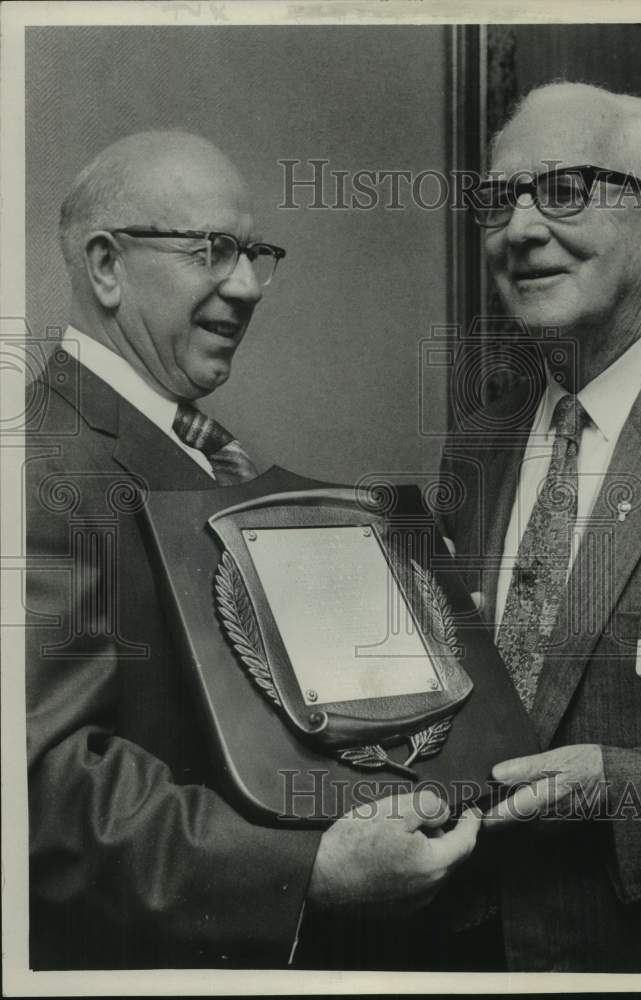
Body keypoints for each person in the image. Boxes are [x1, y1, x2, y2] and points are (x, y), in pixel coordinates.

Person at [25, 130, 480, 970]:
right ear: (106, 266)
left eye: (254, 254)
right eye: (210, 251)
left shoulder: (201, 453)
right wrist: (305, 872)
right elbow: (38, 789)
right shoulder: (39, 467)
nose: (244, 286)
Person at [440, 82, 641, 972]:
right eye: (499, 199)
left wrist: (624, 785)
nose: (520, 229)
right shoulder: (480, 438)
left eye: (563, 190)